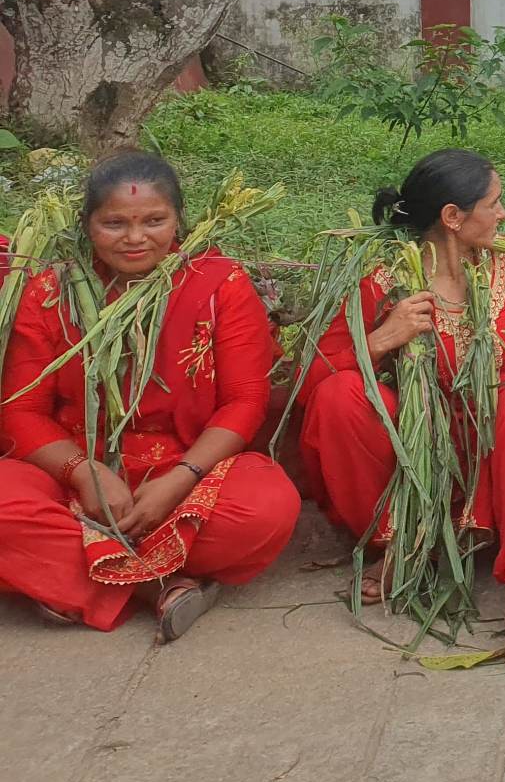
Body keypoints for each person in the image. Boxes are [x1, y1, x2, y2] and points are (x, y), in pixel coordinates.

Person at [294, 148, 505, 674]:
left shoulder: (503, 267)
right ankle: (401, 542)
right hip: (419, 453)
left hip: (503, 447)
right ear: (453, 218)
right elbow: (311, 376)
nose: (503, 215)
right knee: (341, 395)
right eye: (494, 204)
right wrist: (383, 338)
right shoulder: (384, 280)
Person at [0, 153, 301, 639]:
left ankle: (69, 576)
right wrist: (87, 475)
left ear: (178, 220)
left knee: (264, 508)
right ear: (88, 225)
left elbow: (245, 401)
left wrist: (178, 481)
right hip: (74, 474)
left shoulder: (219, 282)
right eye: (114, 223)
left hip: (190, 472)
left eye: (154, 221)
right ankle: (158, 585)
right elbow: (21, 410)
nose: (136, 238)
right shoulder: (50, 290)